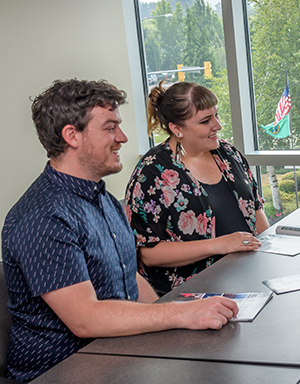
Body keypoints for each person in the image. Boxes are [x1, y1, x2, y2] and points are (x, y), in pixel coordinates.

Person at [1, 79, 240, 381]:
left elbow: (130, 274)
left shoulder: (102, 198)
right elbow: (85, 319)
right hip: (60, 370)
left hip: (119, 351)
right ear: (72, 135)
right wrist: (182, 313)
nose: (123, 137)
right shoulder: (43, 216)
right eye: (110, 127)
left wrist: (174, 321)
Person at [126, 82, 269, 294]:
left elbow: (257, 215)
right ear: (177, 128)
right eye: (205, 121)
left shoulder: (229, 154)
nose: (218, 125)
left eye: (216, 115)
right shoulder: (150, 173)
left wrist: (271, 252)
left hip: (249, 276)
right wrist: (220, 245)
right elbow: (150, 253)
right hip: (193, 296)